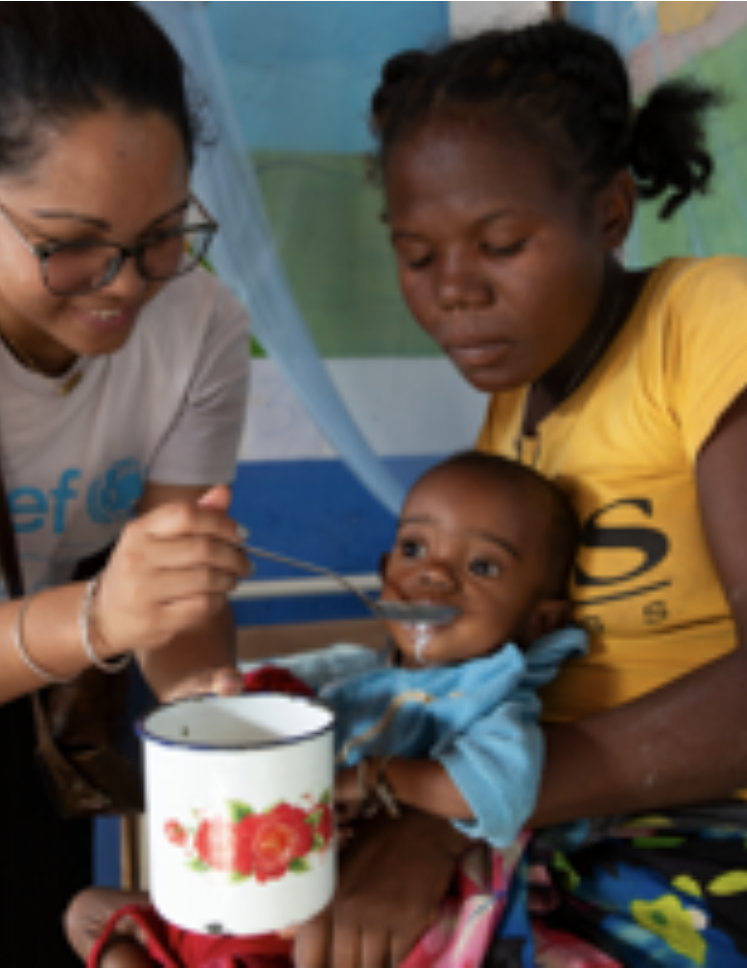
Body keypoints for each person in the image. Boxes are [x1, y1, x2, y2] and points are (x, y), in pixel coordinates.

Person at [285, 15, 747, 969]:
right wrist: (429, 814)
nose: (453, 289)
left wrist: (445, 802)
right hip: (560, 825)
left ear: (612, 212)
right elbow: (476, 682)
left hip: (702, 835)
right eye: (417, 256)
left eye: (500, 243)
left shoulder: (704, 325)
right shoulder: (512, 429)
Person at [0, 4, 251, 966]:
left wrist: (221, 723)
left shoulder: (199, 326)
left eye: (162, 236)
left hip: (41, 711)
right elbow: (120, 611)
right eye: (71, 243)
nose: (122, 286)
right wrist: (99, 620)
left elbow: (172, 596)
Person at [64, 449, 587, 967]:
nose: (434, 574)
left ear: (540, 621)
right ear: (383, 574)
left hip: (343, 920)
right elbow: (247, 691)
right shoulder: (352, 673)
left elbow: (501, 789)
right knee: (86, 910)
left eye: (482, 565)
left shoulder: (492, 698)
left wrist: (378, 778)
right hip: (255, 890)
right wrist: (218, 692)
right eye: (413, 548)